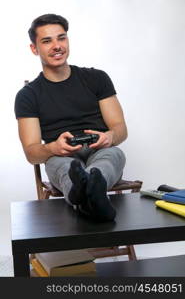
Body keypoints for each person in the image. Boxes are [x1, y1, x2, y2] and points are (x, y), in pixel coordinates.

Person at [14, 14, 128, 222]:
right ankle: (92, 197)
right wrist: (52, 148)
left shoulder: (97, 78)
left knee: (113, 155)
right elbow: (32, 153)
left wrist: (109, 137)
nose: (57, 46)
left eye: (61, 38)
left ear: (68, 40)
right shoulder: (28, 96)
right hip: (61, 156)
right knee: (66, 167)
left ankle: (84, 193)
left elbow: (120, 128)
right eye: (47, 41)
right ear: (34, 49)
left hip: (100, 150)